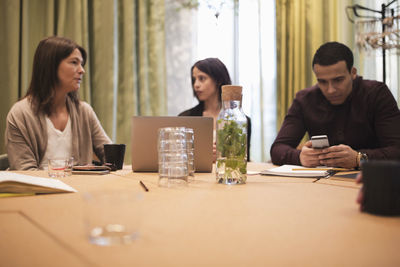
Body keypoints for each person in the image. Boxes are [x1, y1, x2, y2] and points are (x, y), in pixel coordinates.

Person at [270, 41, 400, 169]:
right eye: (322, 82)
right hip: (323, 183)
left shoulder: (377, 94)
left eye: (338, 80)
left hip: (371, 181)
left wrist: (359, 158)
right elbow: (277, 149)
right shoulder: (305, 100)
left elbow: (396, 150)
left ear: (353, 73)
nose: (331, 89)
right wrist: (299, 157)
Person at [5, 36, 111, 170]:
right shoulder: (20, 114)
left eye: (81, 64)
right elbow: (26, 172)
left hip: (81, 189)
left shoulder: (84, 111)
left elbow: (111, 156)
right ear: (50, 66)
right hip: (41, 190)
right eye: (74, 62)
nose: (82, 70)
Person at [179, 58, 252, 161]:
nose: (196, 85)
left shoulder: (241, 120)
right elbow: (178, 155)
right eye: (194, 79)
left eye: (202, 78)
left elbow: (243, 159)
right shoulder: (185, 117)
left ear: (218, 80)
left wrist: (220, 155)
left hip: (226, 174)